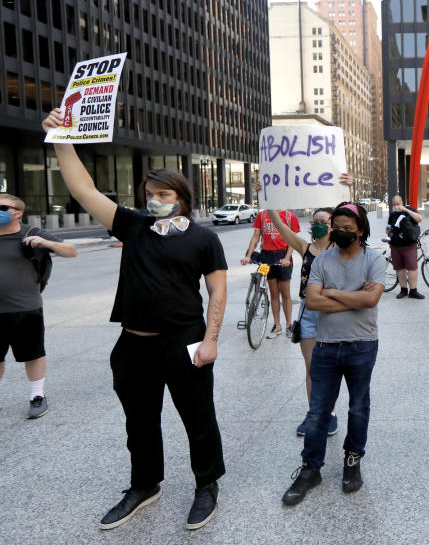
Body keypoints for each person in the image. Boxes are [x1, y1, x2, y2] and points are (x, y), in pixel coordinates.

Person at [42, 109, 227, 531]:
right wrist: (62, 138)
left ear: (181, 197)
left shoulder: (203, 238)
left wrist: (211, 339)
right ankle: (144, 485)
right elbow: (85, 190)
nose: (154, 199)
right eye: (149, 192)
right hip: (133, 344)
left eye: (163, 193)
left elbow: (218, 290)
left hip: (185, 340)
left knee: (198, 417)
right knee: (139, 421)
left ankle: (207, 484)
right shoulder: (134, 226)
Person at [282, 202, 387, 505]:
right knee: (318, 412)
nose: (340, 233)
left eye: (347, 229)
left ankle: (352, 461)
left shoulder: (374, 259)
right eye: (336, 228)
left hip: (362, 344)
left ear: (361, 231)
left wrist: (331, 292)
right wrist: (356, 297)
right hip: (326, 346)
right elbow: (312, 302)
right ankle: (310, 468)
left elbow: (372, 299)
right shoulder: (321, 260)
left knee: (358, 407)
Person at [0, 193, 76, 417]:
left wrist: (45, 242)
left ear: (18, 212)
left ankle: (37, 396)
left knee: (33, 354)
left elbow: (71, 250)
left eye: (4, 207)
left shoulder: (31, 234)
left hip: (26, 307)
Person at [241, 206, 299, 338]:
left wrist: (287, 258)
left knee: (285, 293)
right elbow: (255, 237)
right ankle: (277, 325)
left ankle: (289, 325)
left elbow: (292, 241)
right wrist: (248, 255)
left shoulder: (290, 216)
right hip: (266, 255)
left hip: (283, 256)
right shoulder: (262, 215)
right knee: (273, 293)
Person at [387, 195, 424, 299]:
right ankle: (403, 290)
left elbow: (419, 218)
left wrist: (405, 210)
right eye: (394, 205)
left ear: (402, 202)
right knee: (400, 269)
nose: (396, 206)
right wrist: (388, 230)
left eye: (398, 204)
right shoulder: (392, 215)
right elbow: (388, 227)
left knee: (412, 268)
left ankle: (413, 291)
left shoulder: (409, 210)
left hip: (409, 245)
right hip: (395, 245)